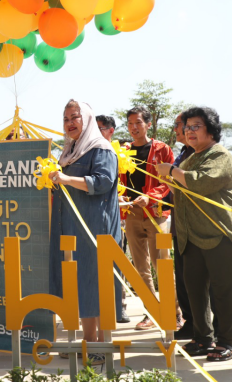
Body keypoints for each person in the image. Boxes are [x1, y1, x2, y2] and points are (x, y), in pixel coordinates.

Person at [158, 106, 232, 362]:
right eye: (186, 127)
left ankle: (227, 341)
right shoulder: (189, 158)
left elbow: (200, 182)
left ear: (210, 130)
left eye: (195, 126)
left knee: (222, 291)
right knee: (194, 291)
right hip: (192, 236)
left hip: (220, 234)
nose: (189, 131)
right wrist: (169, 179)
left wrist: (171, 172)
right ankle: (202, 338)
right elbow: (181, 188)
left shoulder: (219, 154)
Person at [49, 100, 122, 365]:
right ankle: (88, 342)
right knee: (81, 284)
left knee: (98, 283)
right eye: (66, 118)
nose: (70, 123)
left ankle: (102, 345)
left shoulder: (100, 148)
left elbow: (103, 182)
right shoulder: (70, 151)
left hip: (95, 228)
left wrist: (66, 179)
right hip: (72, 228)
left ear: (87, 119)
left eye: (75, 117)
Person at [120, 106, 179, 331]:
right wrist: (121, 197)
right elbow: (119, 181)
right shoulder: (123, 151)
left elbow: (168, 181)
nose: (134, 127)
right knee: (140, 268)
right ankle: (151, 312)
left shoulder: (162, 149)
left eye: (138, 123)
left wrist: (150, 197)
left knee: (161, 264)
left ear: (148, 124)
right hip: (132, 214)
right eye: (130, 123)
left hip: (156, 213)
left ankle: (174, 312)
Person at [96, 114, 130, 324]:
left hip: (119, 218)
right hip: (94, 217)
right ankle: (94, 309)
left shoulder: (121, 153)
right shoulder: (86, 151)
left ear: (111, 131)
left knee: (118, 262)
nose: (94, 132)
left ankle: (120, 306)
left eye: (100, 128)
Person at [167, 114, 197, 341]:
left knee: (195, 279)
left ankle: (202, 327)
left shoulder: (199, 154)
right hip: (179, 224)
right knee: (183, 277)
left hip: (195, 227)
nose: (176, 129)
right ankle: (189, 322)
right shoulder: (182, 154)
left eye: (178, 125)